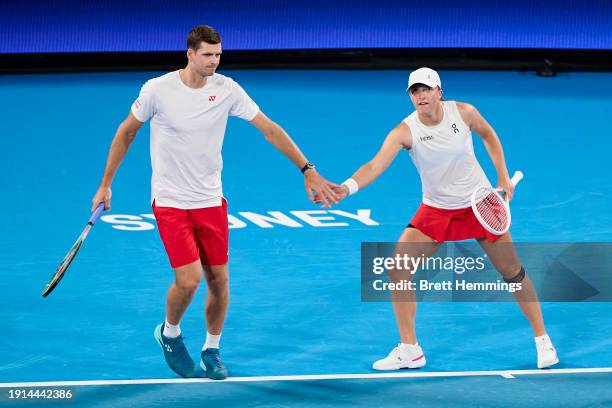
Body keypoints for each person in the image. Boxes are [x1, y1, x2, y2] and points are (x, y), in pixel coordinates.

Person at [90, 25, 339, 380]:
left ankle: (212, 349)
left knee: (219, 281)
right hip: (171, 201)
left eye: (218, 54)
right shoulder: (157, 90)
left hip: (210, 200)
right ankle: (170, 333)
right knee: (189, 280)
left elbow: (269, 128)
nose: (214, 61)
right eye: (207, 55)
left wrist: (307, 169)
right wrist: (106, 184)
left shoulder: (227, 89)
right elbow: (126, 131)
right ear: (189, 54)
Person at [331, 67, 559, 370]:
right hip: (436, 210)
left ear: (439, 91)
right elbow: (374, 166)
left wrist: (502, 177)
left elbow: (489, 136)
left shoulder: (464, 112)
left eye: (426, 89)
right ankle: (410, 349)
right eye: (415, 91)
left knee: (512, 272)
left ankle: (543, 341)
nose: (421, 96)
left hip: (479, 205)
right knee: (398, 269)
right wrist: (346, 188)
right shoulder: (404, 131)